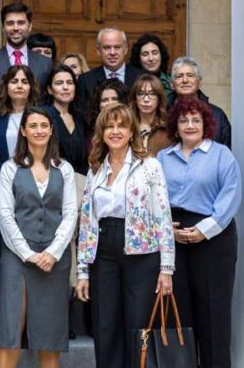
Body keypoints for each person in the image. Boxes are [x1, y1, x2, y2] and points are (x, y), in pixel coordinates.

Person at [75, 103, 174, 368]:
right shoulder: (95, 168)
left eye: (122, 125)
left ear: (132, 132)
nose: (115, 131)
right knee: (105, 325)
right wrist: (82, 270)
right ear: (102, 132)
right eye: (109, 126)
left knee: (138, 325)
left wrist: (166, 267)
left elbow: (162, 216)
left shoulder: (149, 166)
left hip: (142, 253)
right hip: (103, 251)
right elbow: (86, 221)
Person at [157, 98, 241, 368]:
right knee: (179, 312)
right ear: (175, 125)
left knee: (213, 314)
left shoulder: (221, 155)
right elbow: (154, 198)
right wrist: (166, 227)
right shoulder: (163, 157)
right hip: (174, 238)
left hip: (214, 238)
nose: (190, 125)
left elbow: (230, 197)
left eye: (196, 120)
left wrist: (204, 231)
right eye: (183, 120)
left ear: (206, 124)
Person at [0, 108, 78, 368]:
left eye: (44, 125)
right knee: (11, 329)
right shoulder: (10, 168)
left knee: (49, 332)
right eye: (33, 125)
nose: (39, 130)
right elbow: (5, 215)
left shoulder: (64, 169)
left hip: (55, 258)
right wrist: (28, 253)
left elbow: (70, 214)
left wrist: (52, 253)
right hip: (17, 257)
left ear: (52, 130)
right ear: (23, 131)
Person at [0, 65, 40, 299]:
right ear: (6, 86)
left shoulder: (40, 116)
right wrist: (9, 175)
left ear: (31, 87)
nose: (19, 85)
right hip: (2, 183)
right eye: (14, 81)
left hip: (36, 182)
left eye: (24, 81)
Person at [0, 3, 53, 115]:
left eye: (21, 23)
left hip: (36, 128)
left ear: (30, 26)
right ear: (3, 27)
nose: (16, 28)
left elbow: (49, 101)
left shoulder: (45, 63)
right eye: (10, 23)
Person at [169, 56, 232, 148]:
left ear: (199, 83)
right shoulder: (163, 113)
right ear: (172, 85)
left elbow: (226, 155)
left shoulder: (217, 115)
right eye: (179, 76)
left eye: (190, 75)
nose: (185, 80)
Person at [77, 28, 141, 109]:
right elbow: (80, 117)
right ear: (98, 51)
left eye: (117, 47)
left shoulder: (141, 77)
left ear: (126, 49)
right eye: (107, 47)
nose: (112, 52)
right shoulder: (85, 81)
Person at [41, 64, 88, 175]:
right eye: (59, 83)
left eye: (70, 83)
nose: (65, 87)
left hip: (80, 182)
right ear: (50, 90)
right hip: (51, 180)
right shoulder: (42, 115)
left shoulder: (80, 117)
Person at [130, 73, 172, 156]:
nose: (146, 99)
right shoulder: (127, 126)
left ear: (159, 99)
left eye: (152, 94)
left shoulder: (168, 128)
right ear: (135, 99)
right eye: (141, 94)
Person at [130, 33, 173, 99]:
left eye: (155, 53)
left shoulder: (171, 82)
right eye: (145, 54)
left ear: (161, 55)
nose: (151, 58)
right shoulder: (131, 82)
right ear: (138, 58)